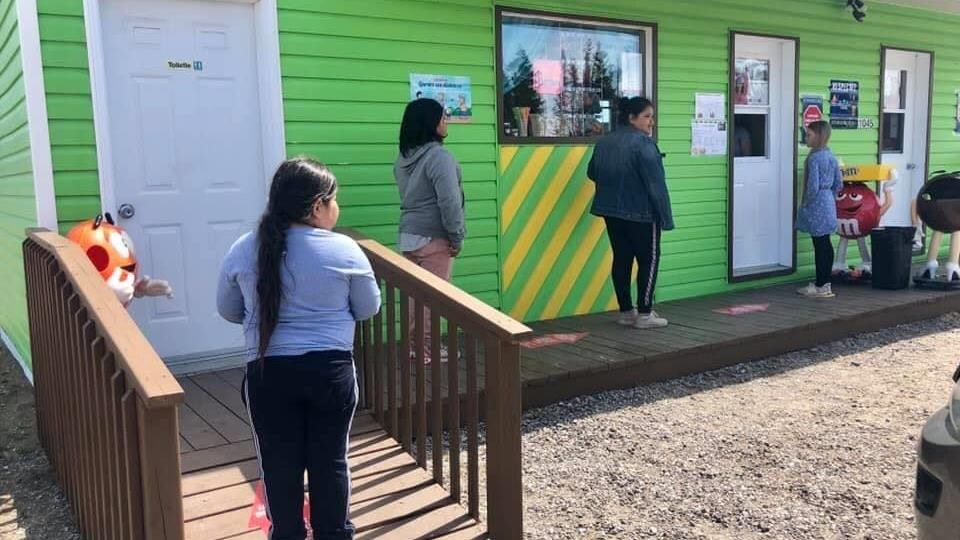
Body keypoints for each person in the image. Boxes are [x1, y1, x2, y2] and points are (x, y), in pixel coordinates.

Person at [217, 158, 381, 540]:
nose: (337, 207)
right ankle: (334, 533)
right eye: (334, 199)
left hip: (268, 374)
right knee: (331, 461)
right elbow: (368, 307)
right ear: (317, 206)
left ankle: (287, 533)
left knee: (278, 464)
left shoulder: (244, 248)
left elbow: (228, 309)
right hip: (331, 373)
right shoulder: (345, 250)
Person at [587, 96, 674, 329]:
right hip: (642, 213)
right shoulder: (644, 144)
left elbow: (592, 172)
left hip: (611, 212)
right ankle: (645, 314)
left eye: (652, 117)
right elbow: (656, 185)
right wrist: (665, 218)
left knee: (622, 259)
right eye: (647, 116)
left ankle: (626, 312)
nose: (651, 122)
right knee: (649, 260)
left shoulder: (604, 142)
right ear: (632, 118)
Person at [394, 98, 465, 361]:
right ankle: (427, 348)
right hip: (434, 236)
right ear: (431, 123)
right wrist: (456, 235)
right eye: (443, 118)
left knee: (415, 296)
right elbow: (450, 201)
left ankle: (414, 345)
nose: (446, 122)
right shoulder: (439, 156)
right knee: (434, 297)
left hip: (409, 235)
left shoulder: (403, 158)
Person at [796, 120, 843, 298]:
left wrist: (805, 203)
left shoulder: (814, 158)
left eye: (809, 135)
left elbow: (812, 187)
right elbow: (839, 183)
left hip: (817, 203)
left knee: (819, 244)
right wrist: (829, 195)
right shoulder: (831, 156)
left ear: (818, 136)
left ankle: (820, 285)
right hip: (828, 201)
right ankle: (825, 284)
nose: (806, 138)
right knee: (825, 243)